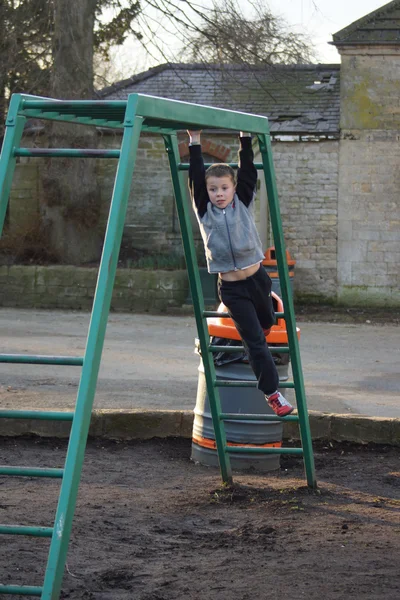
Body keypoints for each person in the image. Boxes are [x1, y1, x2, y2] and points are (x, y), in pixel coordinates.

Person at [187, 129, 294, 417]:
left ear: (234, 189)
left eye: (224, 188)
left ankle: (257, 337)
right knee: (255, 341)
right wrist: (194, 142)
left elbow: (248, 172)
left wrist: (245, 138)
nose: (218, 194)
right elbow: (195, 177)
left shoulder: (242, 203)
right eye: (213, 189)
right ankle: (273, 394)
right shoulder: (204, 210)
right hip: (232, 289)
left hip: (258, 280)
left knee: (266, 325)